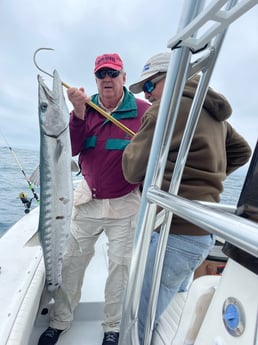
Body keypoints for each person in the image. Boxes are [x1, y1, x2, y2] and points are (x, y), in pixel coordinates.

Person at [122, 51, 252, 344]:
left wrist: (135, 144)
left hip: (173, 230)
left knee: (137, 318)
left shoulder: (164, 109)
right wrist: (206, 179)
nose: (148, 94)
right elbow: (242, 151)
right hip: (201, 234)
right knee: (172, 302)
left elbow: (131, 169)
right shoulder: (209, 109)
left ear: (170, 77)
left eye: (150, 86)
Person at [38, 53, 150, 345]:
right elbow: (70, 149)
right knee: (71, 262)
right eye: (101, 75)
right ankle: (61, 319)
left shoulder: (143, 111)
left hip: (126, 202)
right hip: (87, 199)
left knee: (120, 268)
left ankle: (112, 327)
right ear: (95, 80)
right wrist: (77, 113)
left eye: (112, 73)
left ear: (124, 77)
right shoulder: (84, 109)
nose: (107, 80)